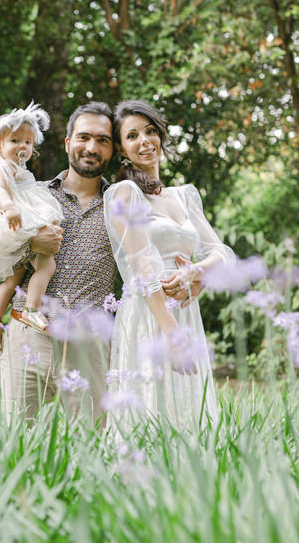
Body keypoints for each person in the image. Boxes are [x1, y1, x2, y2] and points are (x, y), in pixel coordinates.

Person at [0, 101, 201, 426]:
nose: (92, 147)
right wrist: (30, 242)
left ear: (113, 149)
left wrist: (191, 274)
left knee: (90, 448)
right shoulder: (34, 195)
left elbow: (152, 259)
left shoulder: (121, 203)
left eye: (103, 140)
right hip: (29, 333)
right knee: (16, 441)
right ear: (68, 143)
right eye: (84, 137)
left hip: (89, 345)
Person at [103, 100, 234, 430]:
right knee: (151, 412)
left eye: (150, 131)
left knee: (188, 412)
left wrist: (196, 272)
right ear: (121, 148)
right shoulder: (124, 194)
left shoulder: (184, 196)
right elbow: (141, 268)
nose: (145, 141)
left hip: (186, 309)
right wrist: (173, 337)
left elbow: (223, 253)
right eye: (132, 136)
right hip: (151, 312)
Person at [0, 103, 64, 336]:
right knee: (47, 264)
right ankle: (32, 309)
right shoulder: (2, 168)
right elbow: (0, 191)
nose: (22, 146)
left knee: (13, 279)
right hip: (14, 222)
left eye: (28, 142)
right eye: (15, 140)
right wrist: (10, 206)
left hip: (19, 222)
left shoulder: (20, 170)